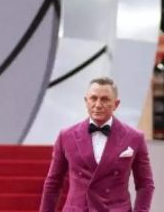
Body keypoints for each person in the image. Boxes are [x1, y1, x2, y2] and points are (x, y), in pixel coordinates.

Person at [39, 77, 154, 212]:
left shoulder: (135, 138)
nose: (98, 105)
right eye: (93, 98)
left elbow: (145, 184)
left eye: (104, 99)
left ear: (116, 104)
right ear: (86, 101)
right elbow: (53, 183)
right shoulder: (66, 136)